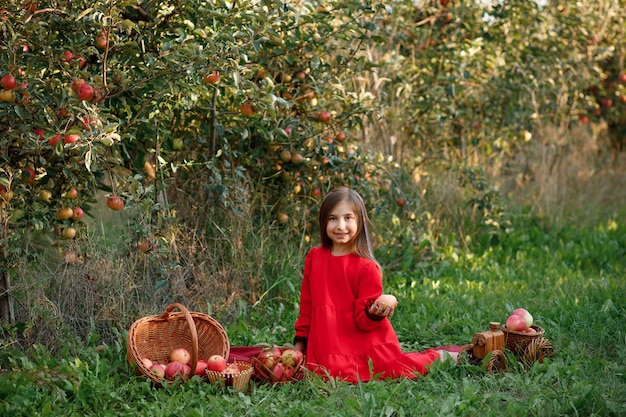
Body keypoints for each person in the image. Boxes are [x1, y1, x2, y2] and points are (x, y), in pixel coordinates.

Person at [293, 187, 456, 383]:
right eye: (332, 218)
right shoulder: (315, 257)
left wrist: (375, 311)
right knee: (323, 372)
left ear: (360, 222)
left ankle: (440, 357)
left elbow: (363, 321)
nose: (340, 226)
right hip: (326, 342)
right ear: (323, 222)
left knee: (393, 367)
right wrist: (300, 345)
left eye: (348, 218)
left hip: (358, 341)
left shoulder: (366, 267)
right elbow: (307, 305)